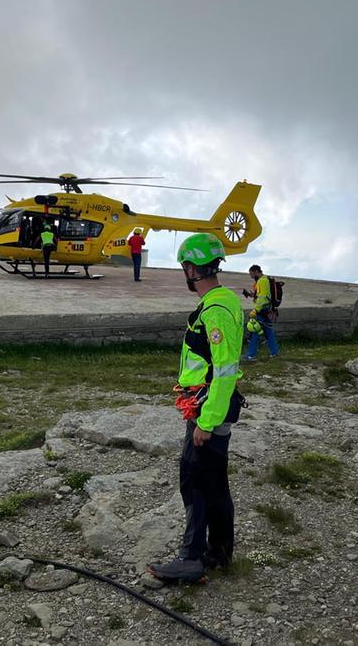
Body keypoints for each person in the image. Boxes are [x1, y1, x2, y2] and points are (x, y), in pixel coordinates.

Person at [149, 232, 244, 583]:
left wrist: (206, 420)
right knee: (215, 481)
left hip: (207, 408)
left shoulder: (215, 309)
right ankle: (219, 554)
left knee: (195, 480)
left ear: (191, 268)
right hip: (209, 405)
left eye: (184, 267)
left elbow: (224, 370)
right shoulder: (225, 300)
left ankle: (191, 558)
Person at [242, 264, 280, 360]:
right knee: (269, 332)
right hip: (269, 309)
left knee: (254, 331)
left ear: (256, 272)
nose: (251, 276)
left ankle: (251, 355)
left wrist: (256, 310)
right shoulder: (267, 279)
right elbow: (263, 295)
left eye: (251, 274)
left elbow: (262, 298)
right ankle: (274, 352)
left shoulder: (262, 281)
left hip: (262, 310)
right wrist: (252, 295)